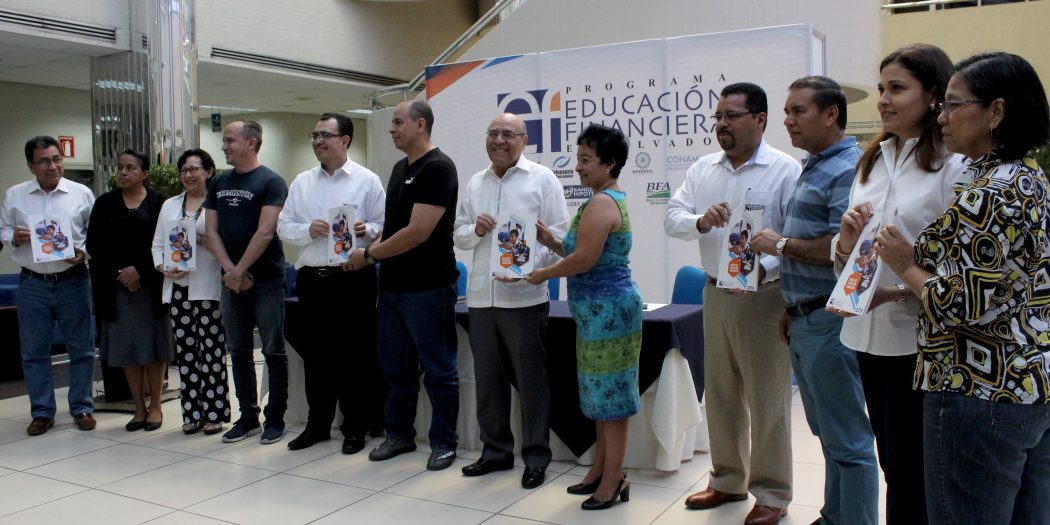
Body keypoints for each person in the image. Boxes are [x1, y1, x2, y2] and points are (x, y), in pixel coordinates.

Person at [875, 52, 1050, 525]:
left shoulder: (988, 192)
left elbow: (958, 304)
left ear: (996, 112)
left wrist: (903, 264)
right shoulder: (1025, 175)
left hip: (975, 387)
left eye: (954, 105)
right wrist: (897, 289)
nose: (942, 117)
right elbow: (998, 284)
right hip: (1026, 379)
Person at [830, 44, 967, 525]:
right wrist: (846, 243)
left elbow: (963, 269)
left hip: (924, 341)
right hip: (868, 335)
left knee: (919, 471)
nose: (884, 99)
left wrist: (901, 287)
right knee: (893, 462)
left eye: (897, 88)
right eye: (881, 88)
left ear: (933, 96)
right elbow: (851, 255)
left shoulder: (954, 164)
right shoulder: (872, 160)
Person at [665, 83, 800, 525]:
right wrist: (701, 221)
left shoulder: (785, 170)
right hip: (716, 292)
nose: (722, 124)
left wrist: (767, 263)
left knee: (767, 400)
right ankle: (727, 479)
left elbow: (795, 239)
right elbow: (672, 217)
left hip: (765, 297)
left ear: (759, 120)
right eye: (718, 116)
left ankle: (772, 493)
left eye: (732, 116)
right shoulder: (703, 169)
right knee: (721, 393)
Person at [752, 76, 879, 525]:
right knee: (828, 433)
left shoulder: (847, 168)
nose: (787, 120)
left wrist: (780, 245)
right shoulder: (814, 165)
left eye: (798, 111)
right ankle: (834, 516)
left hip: (831, 318)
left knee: (849, 440)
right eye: (786, 111)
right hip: (808, 315)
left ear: (830, 114)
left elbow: (842, 247)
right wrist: (793, 308)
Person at [526, 124, 641, 511]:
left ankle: (613, 478)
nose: (577, 166)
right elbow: (581, 252)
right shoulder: (601, 199)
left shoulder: (603, 203)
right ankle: (599, 469)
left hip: (610, 313)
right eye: (578, 158)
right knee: (600, 395)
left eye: (586, 160)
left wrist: (543, 273)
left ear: (609, 164)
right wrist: (551, 241)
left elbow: (585, 260)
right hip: (597, 313)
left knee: (613, 398)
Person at [453, 113, 570, 489]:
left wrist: (530, 267)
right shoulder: (475, 182)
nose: (499, 140)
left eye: (508, 134)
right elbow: (459, 233)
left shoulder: (543, 178)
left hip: (524, 297)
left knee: (531, 382)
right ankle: (495, 452)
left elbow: (560, 236)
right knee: (488, 380)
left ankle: (536, 457)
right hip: (481, 297)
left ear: (524, 140)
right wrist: (475, 230)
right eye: (493, 133)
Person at [346, 100, 460, 471]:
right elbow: (394, 227)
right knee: (396, 368)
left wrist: (369, 255)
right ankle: (399, 434)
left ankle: (443, 442)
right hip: (392, 287)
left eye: (398, 122)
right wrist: (372, 250)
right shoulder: (399, 168)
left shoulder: (438, 167)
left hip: (429, 287)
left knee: (439, 371)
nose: (391, 129)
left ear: (420, 125)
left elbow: (417, 232)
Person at [277, 112, 386, 454]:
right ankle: (318, 425)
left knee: (356, 356)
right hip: (313, 279)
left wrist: (367, 229)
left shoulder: (367, 180)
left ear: (345, 140)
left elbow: (385, 226)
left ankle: (356, 426)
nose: (318, 141)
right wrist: (306, 230)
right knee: (316, 356)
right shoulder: (302, 182)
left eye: (325, 135)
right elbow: (284, 225)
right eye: (314, 136)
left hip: (353, 278)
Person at [0, 136, 96, 435]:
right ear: (31, 166)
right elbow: (3, 228)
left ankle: (82, 407)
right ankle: (42, 412)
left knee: (81, 348)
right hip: (33, 282)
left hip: (73, 279)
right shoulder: (15, 195)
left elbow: (95, 234)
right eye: (44, 161)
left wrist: (83, 253)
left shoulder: (81, 193)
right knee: (33, 352)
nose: (52, 166)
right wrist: (13, 237)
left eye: (56, 159)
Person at [205, 120, 289, 445]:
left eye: (230, 140)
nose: (224, 146)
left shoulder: (270, 181)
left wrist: (240, 269)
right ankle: (248, 416)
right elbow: (211, 231)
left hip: (266, 280)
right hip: (231, 282)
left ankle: (275, 418)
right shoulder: (219, 182)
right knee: (238, 351)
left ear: (251, 143)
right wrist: (231, 271)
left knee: (273, 351)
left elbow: (266, 231)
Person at [87, 149, 173, 432]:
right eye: (120, 167)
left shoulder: (160, 203)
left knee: (153, 346)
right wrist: (120, 273)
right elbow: (94, 245)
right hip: (117, 288)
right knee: (128, 348)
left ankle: (156, 405)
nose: (123, 172)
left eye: (130, 168)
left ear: (144, 173)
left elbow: (168, 242)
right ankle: (138, 406)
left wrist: (141, 271)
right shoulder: (105, 203)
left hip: (152, 285)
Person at [151, 149, 231, 435]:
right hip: (178, 288)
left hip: (208, 287)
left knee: (211, 352)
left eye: (194, 169)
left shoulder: (217, 204)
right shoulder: (170, 205)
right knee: (186, 354)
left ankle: (214, 412)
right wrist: (164, 267)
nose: (188, 175)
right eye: (184, 170)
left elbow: (227, 243)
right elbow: (158, 244)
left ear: (209, 171)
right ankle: (192, 412)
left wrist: (204, 241)